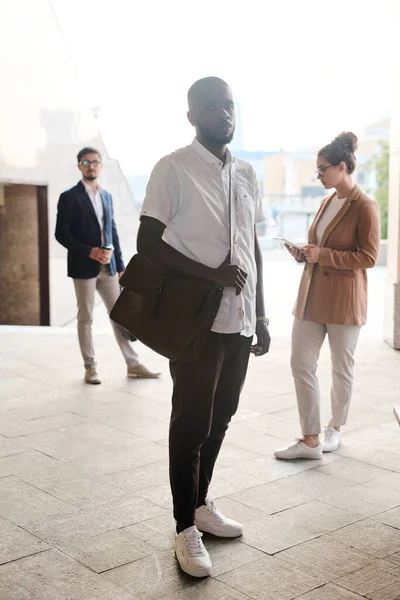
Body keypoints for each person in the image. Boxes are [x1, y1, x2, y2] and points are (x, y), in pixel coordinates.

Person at [137, 77, 271, 577]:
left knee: (222, 417)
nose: (223, 114)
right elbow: (147, 241)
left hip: (239, 321)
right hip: (197, 320)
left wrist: (260, 313)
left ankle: (200, 505)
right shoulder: (173, 168)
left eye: (229, 106)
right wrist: (212, 274)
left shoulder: (247, 173)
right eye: (211, 107)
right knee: (191, 422)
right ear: (192, 116)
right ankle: (183, 529)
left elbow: (252, 246)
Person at [274, 132, 380, 460]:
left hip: (344, 300)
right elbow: (319, 249)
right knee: (300, 363)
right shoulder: (326, 201)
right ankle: (310, 439)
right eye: (317, 170)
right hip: (311, 295)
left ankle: (334, 430)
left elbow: (369, 257)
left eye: (322, 169)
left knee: (340, 368)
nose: (318, 175)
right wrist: (304, 253)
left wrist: (325, 256)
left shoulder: (365, 206)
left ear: (343, 166)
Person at [55, 147, 160, 384]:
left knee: (121, 315)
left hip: (109, 268)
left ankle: (133, 364)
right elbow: (61, 234)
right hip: (83, 268)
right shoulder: (69, 197)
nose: (91, 166)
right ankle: (90, 367)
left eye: (95, 162)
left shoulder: (107, 197)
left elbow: (111, 233)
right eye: (86, 162)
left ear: (100, 166)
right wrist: (89, 251)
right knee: (86, 317)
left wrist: (121, 266)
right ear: (79, 166)